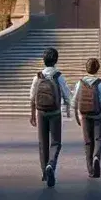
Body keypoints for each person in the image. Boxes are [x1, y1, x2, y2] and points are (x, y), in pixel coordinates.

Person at [29, 46, 75, 187]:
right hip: (55, 113)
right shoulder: (58, 76)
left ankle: (44, 172)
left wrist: (32, 115)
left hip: (41, 112)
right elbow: (67, 95)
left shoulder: (38, 76)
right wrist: (68, 109)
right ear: (56, 60)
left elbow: (32, 96)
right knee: (55, 142)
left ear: (43, 60)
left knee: (42, 143)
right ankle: (51, 165)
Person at [74, 57, 101, 178]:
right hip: (97, 114)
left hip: (84, 114)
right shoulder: (100, 83)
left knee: (88, 142)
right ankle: (96, 157)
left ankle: (90, 170)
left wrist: (76, 115)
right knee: (98, 139)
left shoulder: (80, 82)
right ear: (97, 69)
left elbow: (75, 100)